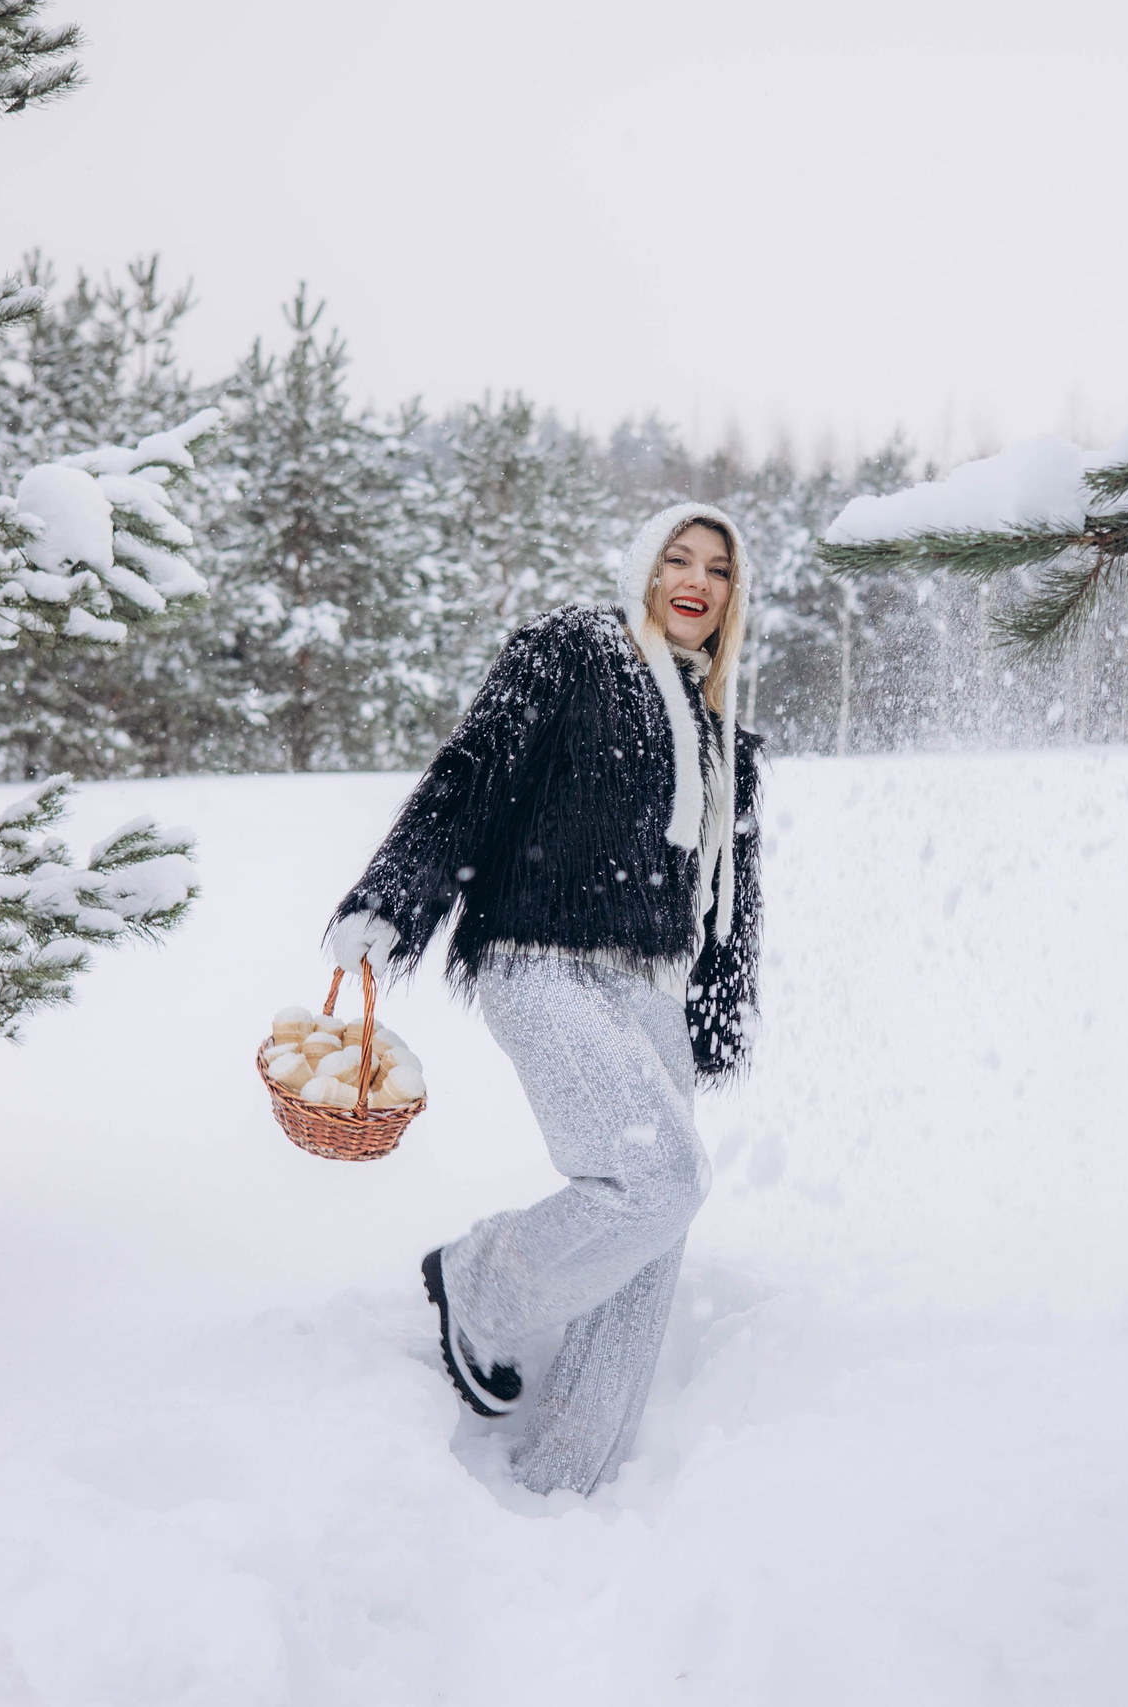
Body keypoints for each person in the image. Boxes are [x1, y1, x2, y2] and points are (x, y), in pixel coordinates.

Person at [325, 503, 764, 1496]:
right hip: (540, 955)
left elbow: (735, 897)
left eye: (720, 568)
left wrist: (720, 1013)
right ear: (643, 566)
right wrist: (392, 899)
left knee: (650, 1252)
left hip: (658, 985)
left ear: (739, 596)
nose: (696, 578)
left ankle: (567, 1478)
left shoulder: (726, 732)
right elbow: (469, 777)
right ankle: (478, 1283)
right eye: (677, 556)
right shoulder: (572, 652)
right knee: (657, 1181)